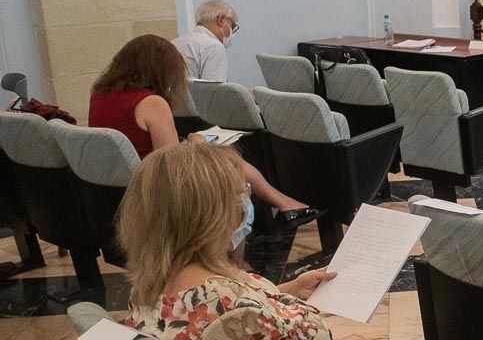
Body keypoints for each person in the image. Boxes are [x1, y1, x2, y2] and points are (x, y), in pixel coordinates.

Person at [119, 142, 455, 340]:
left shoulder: (154, 280)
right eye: (238, 198)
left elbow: (221, 320)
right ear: (209, 216)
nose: (244, 208)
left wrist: (288, 290)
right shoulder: (238, 313)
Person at [88, 34, 319, 229]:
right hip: (155, 192)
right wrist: (195, 144)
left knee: (225, 161)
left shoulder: (98, 95)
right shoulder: (151, 102)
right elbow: (172, 165)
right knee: (232, 178)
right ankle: (236, 265)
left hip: (114, 193)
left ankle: (283, 203)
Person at [173, 0, 238, 82]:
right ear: (220, 19)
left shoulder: (175, 42)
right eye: (232, 26)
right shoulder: (214, 47)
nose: (232, 32)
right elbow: (215, 92)